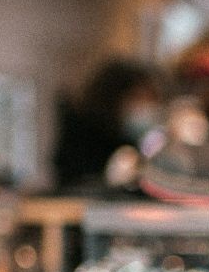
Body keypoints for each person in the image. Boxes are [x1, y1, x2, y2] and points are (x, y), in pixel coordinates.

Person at [51, 58, 164, 192]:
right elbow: (69, 184)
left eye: (151, 99)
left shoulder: (139, 141)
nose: (146, 106)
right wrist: (107, 180)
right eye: (138, 97)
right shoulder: (82, 138)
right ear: (114, 98)